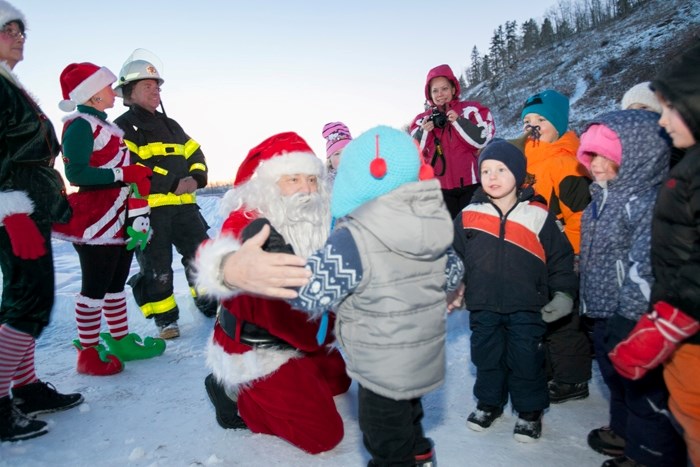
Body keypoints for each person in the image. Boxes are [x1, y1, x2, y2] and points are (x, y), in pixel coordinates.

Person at [287, 125, 464, 467]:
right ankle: (420, 452)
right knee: (408, 407)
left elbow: (312, 292)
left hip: (378, 360)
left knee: (383, 429)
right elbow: (453, 272)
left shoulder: (352, 237)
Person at [194, 132, 351, 454]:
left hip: (308, 333)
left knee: (340, 383)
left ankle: (305, 371)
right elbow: (221, 248)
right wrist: (231, 268)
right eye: (293, 179)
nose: (307, 189)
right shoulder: (251, 220)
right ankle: (236, 397)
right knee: (323, 435)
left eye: (311, 179)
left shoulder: (322, 220)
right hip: (259, 349)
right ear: (267, 185)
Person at [577, 110, 686, 467]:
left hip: (632, 317)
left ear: (637, 160)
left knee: (644, 393)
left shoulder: (643, 204)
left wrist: (631, 315)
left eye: (607, 157)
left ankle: (648, 455)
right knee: (617, 380)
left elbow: (646, 267)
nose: (596, 165)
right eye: (592, 156)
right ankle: (623, 434)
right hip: (603, 310)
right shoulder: (599, 201)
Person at [609, 42, 700, 466]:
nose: (661, 122)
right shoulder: (685, 171)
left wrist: (669, 319)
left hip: (683, 323)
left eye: (670, 109)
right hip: (678, 325)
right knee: (684, 412)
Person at [452, 140, 578, 443]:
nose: (492, 176)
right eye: (485, 170)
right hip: (482, 305)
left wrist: (563, 293)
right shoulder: (469, 214)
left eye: (501, 169)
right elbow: (454, 257)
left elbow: (561, 258)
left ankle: (529, 412)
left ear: (519, 174)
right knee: (486, 357)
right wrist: (454, 288)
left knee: (526, 360)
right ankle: (489, 404)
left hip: (527, 305)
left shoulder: (537, 214)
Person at [0, 0, 83, 442]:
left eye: (21, 29)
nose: (19, 36)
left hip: (28, 208)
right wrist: (8, 210)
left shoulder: (9, 83)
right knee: (25, 303)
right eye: (8, 29)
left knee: (29, 300)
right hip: (14, 211)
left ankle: (26, 388)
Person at [53, 62, 166, 376]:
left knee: (116, 285)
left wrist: (138, 185)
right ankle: (87, 352)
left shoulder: (107, 126)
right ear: (90, 95)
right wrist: (123, 173)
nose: (113, 91)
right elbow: (76, 173)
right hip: (96, 220)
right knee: (95, 287)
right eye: (106, 86)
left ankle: (119, 340)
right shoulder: (80, 125)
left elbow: (125, 174)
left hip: (120, 216)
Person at [113, 53, 217, 339]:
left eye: (157, 86)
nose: (155, 90)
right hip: (147, 212)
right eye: (148, 86)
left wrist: (196, 178)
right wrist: (173, 183)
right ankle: (165, 320)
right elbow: (131, 165)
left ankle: (209, 305)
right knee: (157, 266)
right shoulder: (121, 127)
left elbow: (195, 152)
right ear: (129, 92)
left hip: (185, 210)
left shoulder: (172, 125)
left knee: (201, 257)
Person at [518, 89, 593, 404]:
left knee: (564, 321)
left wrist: (573, 254)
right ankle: (551, 369)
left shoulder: (565, 162)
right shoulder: (526, 159)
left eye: (541, 119)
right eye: (527, 120)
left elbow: (582, 216)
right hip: (536, 254)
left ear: (559, 123)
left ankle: (572, 380)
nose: (533, 125)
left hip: (563, 256)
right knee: (543, 315)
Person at [409, 64, 495, 219]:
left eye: (444, 89)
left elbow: (482, 139)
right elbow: (412, 151)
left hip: (473, 185)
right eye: (435, 90)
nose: (440, 94)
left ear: (454, 89)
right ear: (429, 94)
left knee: (473, 231)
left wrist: (458, 121)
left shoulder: (472, 110)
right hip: (438, 190)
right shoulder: (421, 120)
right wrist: (425, 131)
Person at [321, 121, 352, 185]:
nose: (343, 157)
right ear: (330, 160)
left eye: (346, 152)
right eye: (337, 154)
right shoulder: (325, 184)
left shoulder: (362, 174)